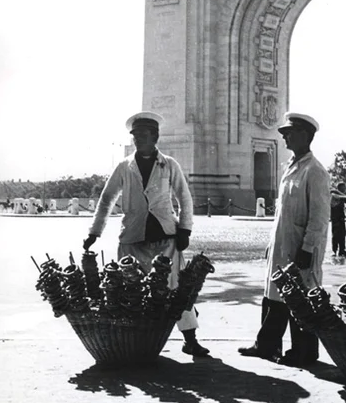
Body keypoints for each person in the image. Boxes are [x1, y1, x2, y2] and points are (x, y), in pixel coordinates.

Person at [82, 111, 210, 357]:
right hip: (132, 238)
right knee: (131, 291)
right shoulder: (123, 167)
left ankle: (190, 340)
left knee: (177, 289)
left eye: (142, 135)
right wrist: (95, 232)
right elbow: (107, 199)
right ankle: (134, 343)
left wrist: (185, 229)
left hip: (166, 238)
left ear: (155, 137)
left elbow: (184, 197)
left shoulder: (170, 164)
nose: (137, 140)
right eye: (135, 136)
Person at [238, 112, 331, 367]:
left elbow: (320, 216)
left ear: (305, 136)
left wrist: (309, 247)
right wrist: (271, 243)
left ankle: (305, 353)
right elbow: (281, 212)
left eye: (289, 133)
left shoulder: (315, 171)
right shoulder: (290, 166)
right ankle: (266, 345)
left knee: (301, 300)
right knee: (275, 295)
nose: (285, 137)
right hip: (282, 243)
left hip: (301, 246)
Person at [330, 182, 346, 257]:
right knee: (336, 234)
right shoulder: (334, 195)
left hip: (341, 218)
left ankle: (342, 250)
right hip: (335, 218)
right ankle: (334, 250)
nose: (344, 190)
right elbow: (342, 198)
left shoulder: (343, 196)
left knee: (343, 234)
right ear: (339, 188)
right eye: (343, 188)